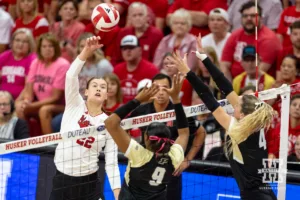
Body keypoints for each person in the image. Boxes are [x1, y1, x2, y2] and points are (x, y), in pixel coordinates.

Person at [169, 34, 277, 200]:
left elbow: (208, 97)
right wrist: (204, 58)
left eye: (237, 104)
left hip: (254, 196)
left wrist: (188, 73)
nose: (234, 103)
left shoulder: (238, 129)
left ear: (242, 113)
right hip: (265, 191)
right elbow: (225, 85)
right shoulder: (254, 121)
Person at [50, 36, 121, 200]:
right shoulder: (74, 105)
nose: (98, 88)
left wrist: (117, 193)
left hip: (88, 184)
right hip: (62, 181)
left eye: (103, 87)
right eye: (94, 86)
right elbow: (70, 76)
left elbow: (111, 162)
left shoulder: (109, 123)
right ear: (86, 92)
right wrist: (85, 52)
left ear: (106, 96)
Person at [104, 73, 190, 200]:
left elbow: (110, 123)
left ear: (146, 138)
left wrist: (137, 99)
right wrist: (176, 98)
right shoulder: (174, 157)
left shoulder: (138, 155)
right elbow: (184, 133)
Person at [128, 73, 206, 200]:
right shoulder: (141, 111)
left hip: (171, 169)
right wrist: (133, 151)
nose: (161, 92)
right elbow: (123, 128)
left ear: (171, 90)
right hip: (145, 168)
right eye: (156, 88)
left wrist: (187, 159)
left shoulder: (180, 112)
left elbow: (201, 133)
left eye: (165, 88)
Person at [0, 28, 36, 99]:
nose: (20, 44)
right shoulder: (5, 56)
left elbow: (28, 88)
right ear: (12, 42)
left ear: (30, 44)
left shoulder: (32, 59)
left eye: (25, 41)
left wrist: (17, 102)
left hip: (20, 99)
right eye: (17, 40)